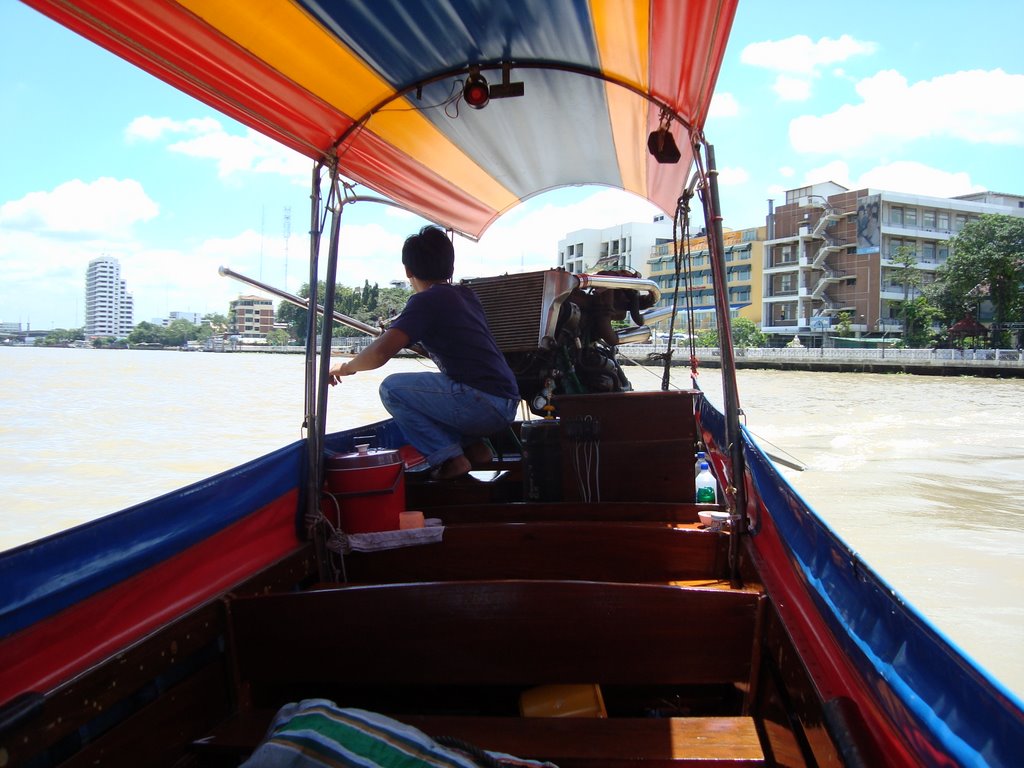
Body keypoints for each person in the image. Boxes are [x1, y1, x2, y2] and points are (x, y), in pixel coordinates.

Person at [328, 225, 520, 479]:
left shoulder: (426, 301)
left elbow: (379, 354)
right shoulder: (466, 295)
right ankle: (475, 448)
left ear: (408, 270)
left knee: (392, 390)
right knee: (438, 389)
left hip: (481, 404)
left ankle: (451, 457)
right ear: (450, 268)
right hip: (506, 404)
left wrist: (344, 367)